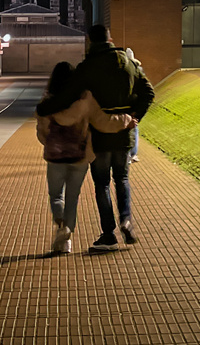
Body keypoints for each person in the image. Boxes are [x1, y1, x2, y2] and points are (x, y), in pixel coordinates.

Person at [36, 24, 154, 252]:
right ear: (110, 39)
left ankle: (109, 234)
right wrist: (134, 116)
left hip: (99, 136)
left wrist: (44, 108)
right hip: (124, 132)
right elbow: (149, 92)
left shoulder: (87, 67)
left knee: (102, 184)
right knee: (122, 178)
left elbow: (68, 96)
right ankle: (126, 219)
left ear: (90, 40)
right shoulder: (128, 63)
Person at [35, 61, 135, 255]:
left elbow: (42, 132)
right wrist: (127, 120)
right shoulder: (85, 98)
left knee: (56, 196)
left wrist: (51, 143)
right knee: (73, 198)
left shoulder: (48, 101)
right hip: (80, 157)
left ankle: (61, 229)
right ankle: (67, 235)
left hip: (55, 157)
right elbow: (103, 122)